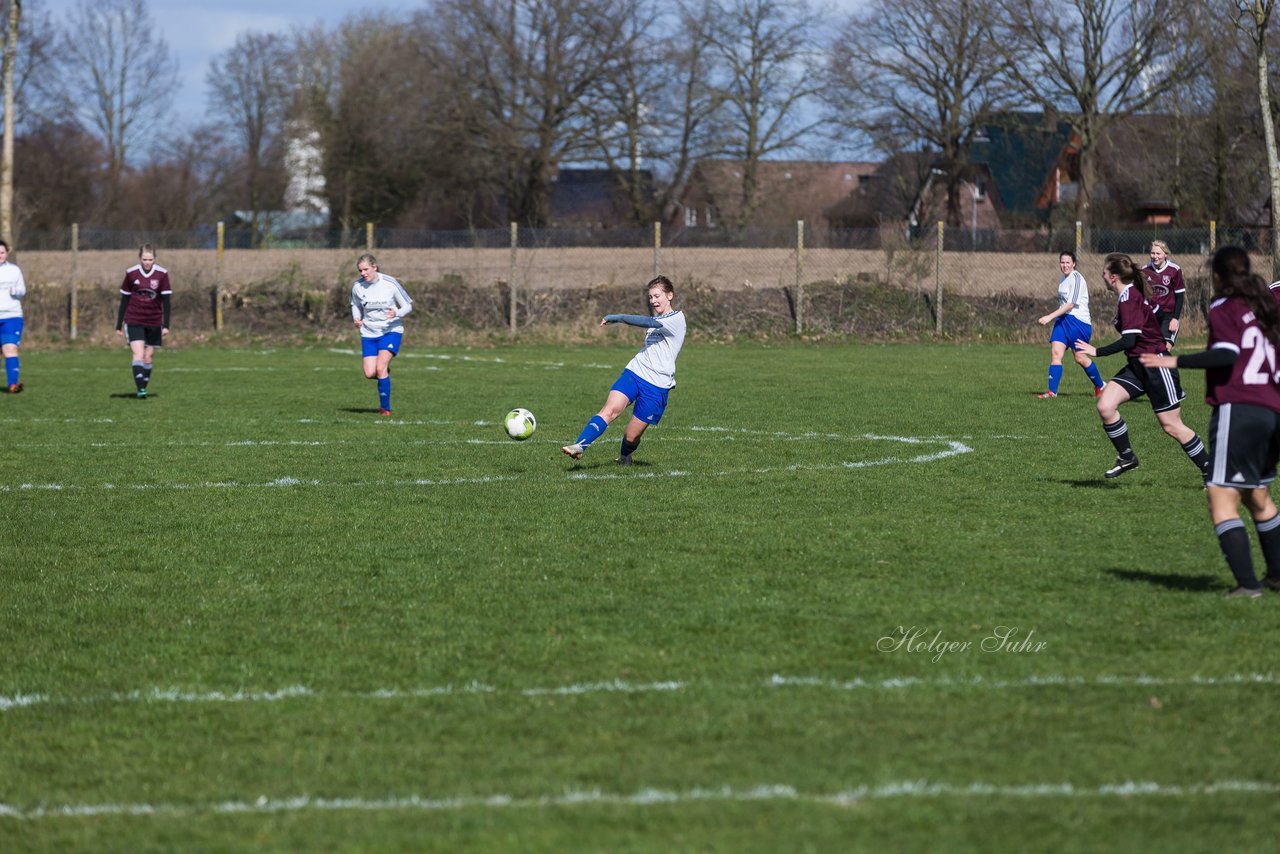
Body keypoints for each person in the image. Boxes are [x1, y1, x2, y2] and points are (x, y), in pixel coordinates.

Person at [1141, 247, 1280, 598]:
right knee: (1258, 496)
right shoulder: (1266, 307)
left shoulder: (1224, 307)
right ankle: (1277, 577)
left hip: (1240, 408)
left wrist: (1174, 362)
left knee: (1220, 498)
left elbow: (1228, 354)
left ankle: (1247, 586)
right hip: (1273, 410)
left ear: (1218, 277)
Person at [1073, 252, 1210, 480]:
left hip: (1156, 367)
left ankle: (1209, 470)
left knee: (1172, 426)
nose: (1103, 276)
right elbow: (1161, 315)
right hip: (1137, 366)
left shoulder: (1129, 299)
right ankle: (1127, 456)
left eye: (1104, 273)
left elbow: (1130, 340)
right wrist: (1159, 333)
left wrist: (1096, 351)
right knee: (1106, 406)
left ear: (1113, 277)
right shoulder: (1133, 295)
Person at [562, 275, 686, 465]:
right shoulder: (659, 318)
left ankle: (625, 456)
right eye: (650, 297)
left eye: (657, 296)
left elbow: (648, 322)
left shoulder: (676, 318)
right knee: (610, 410)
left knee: (631, 437)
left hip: (657, 385)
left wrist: (618, 317)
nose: (653, 301)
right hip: (635, 372)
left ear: (670, 295)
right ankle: (580, 446)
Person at [1035, 250, 1106, 398]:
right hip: (1063, 321)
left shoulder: (1077, 278)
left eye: (1068, 262)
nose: (1064, 265)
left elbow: (1070, 304)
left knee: (1080, 358)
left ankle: (1100, 386)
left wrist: (1049, 317)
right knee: (1055, 353)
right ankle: (1052, 392)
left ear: (1074, 263)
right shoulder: (1063, 278)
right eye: (1062, 262)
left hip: (1078, 322)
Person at [350, 253, 412, 416]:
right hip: (369, 334)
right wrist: (357, 318)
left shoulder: (390, 283)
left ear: (374, 267)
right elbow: (355, 305)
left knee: (380, 368)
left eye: (366, 269)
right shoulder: (357, 286)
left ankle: (385, 409)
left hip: (390, 331)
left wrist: (397, 313)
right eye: (360, 271)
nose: (363, 273)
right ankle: (384, 374)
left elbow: (408, 306)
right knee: (370, 373)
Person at [115, 244, 172, 398]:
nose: (147, 262)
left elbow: (166, 301)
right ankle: (141, 389)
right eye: (145, 259)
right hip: (134, 318)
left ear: (155, 259)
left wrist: (166, 325)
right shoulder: (131, 273)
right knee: (138, 353)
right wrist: (119, 324)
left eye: (150, 259)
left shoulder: (162, 274)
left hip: (154, 320)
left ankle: (143, 384)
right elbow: (125, 299)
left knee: (148, 356)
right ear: (140, 258)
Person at [1141, 240, 1186, 347]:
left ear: (1165, 254)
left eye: (1158, 253)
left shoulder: (1174, 270)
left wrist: (1175, 318)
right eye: (1152, 253)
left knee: (1164, 350)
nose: (1155, 256)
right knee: (1149, 351)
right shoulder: (1144, 271)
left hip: (1168, 317)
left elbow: (1180, 296)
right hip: (1151, 316)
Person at [0, 241, 25, 393]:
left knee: (10, 349)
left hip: (12, 316)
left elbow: (23, 290)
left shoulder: (14, 270)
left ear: (7, 253)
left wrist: (14, 290)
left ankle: (13, 385)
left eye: (2, 252)